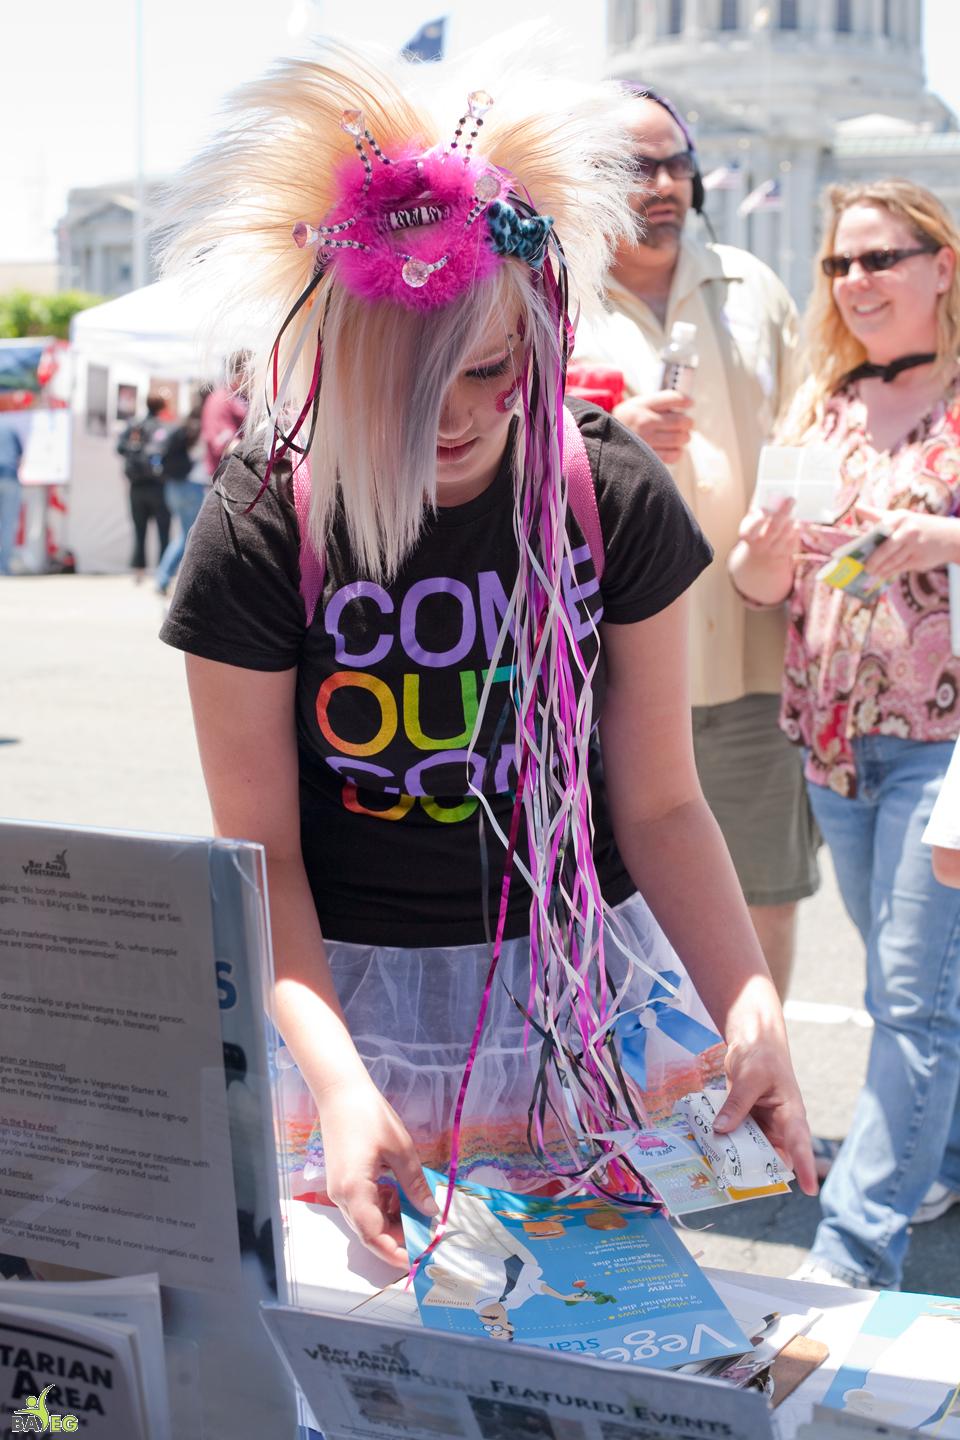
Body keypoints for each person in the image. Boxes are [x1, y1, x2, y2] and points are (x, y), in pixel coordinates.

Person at [159, 41, 814, 1271]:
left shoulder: (604, 486)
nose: (453, 419)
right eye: (404, 388)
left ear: (540, 336)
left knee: (591, 1353)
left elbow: (664, 801)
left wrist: (751, 1005)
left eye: (491, 370)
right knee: (376, 1355)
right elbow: (265, 865)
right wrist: (343, 1089)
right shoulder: (263, 517)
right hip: (348, 1013)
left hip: (580, 1001)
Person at [730, 179, 960, 1287]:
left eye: (880, 259)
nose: (856, 283)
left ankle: (856, 1248)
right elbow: (757, 574)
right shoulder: (824, 403)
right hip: (831, 737)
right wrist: (765, 547)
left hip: (945, 741)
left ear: (941, 266)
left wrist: (947, 538)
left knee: (909, 1000)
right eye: (839, 265)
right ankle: (943, 1149)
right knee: (913, 980)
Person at [574, 88, 818, 1002]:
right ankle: (651, 1120)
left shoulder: (755, 290)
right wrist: (604, 427)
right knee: (619, 906)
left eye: (678, 162)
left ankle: (758, 1115)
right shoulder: (553, 294)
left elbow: (806, 436)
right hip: (613, 663)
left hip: (753, 652)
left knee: (760, 900)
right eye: (640, 168)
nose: (667, 183)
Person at [154, 393, 209, 597]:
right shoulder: (202, 426)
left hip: (173, 487)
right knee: (189, 537)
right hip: (190, 486)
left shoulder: (183, 425)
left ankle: (164, 577)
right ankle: (167, 578)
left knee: (183, 535)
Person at [116, 393, 172, 577]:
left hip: (136, 485)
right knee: (163, 530)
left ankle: (138, 570)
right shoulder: (161, 428)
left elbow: (119, 448)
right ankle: (162, 571)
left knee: (139, 530)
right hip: (158, 486)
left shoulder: (134, 425)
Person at [199, 352, 248, 479]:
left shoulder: (241, 397)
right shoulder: (221, 399)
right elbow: (223, 444)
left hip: (239, 477)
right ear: (241, 373)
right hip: (225, 482)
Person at [0, 413, 24, 576]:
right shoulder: (9, 427)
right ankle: (3, 566)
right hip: (9, 477)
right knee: (7, 524)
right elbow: (19, 455)